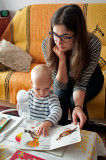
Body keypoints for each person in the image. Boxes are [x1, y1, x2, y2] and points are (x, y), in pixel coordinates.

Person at [42, 4, 104, 130]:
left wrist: (78, 106)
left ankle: (83, 138)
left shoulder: (93, 43)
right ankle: (57, 137)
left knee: (73, 101)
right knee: (59, 99)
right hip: (63, 76)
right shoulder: (47, 44)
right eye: (55, 34)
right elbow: (61, 86)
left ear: (78, 34)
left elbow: (81, 83)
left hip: (91, 78)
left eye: (65, 37)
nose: (58, 42)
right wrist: (62, 60)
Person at [28, 64, 62, 136]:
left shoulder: (51, 97)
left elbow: (57, 111)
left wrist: (48, 122)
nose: (42, 93)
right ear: (31, 83)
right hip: (32, 127)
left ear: (51, 83)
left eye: (46, 89)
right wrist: (20, 104)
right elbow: (23, 106)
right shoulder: (29, 94)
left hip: (48, 129)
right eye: (38, 89)